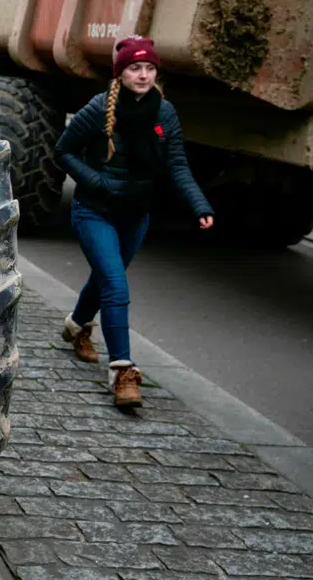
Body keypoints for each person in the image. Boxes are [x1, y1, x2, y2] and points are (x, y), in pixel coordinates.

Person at [54, 37, 215, 408]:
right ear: (121, 73)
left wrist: (199, 205)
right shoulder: (99, 109)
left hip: (136, 215)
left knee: (104, 279)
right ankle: (123, 372)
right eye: (134, 68)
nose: (143, 75)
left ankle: (76, 327)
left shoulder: (165, 113)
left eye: (149, 68)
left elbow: (176, 164)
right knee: (115, 284)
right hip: (94, 211)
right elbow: (63, 150)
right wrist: (97, 181)